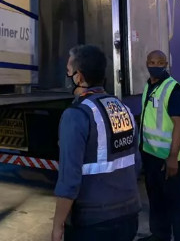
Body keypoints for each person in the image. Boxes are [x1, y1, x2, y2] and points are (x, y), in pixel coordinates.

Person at [52, 45, 140, 241]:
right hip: (129, 215)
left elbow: (69, 178)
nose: (67, 76)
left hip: (93, 222)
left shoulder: (76, 115)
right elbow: (135, 163)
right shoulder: (123, 108)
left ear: (79, 77)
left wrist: (58, 225)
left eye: (69, 71)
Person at [138, 50, 180, 241]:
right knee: (156, 199)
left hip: (168, 158)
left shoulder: (173, 89)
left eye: (160, 62)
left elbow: (179, 124)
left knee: (178, 204)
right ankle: (159, 235)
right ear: (147, 63)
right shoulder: (149, 86)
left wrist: (173, 157)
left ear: (166, 64)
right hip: (151, 155)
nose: (155, 66)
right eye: (152, 62)